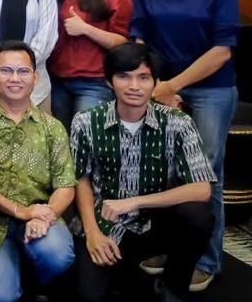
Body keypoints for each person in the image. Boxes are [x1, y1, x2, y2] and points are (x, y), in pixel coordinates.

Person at [128, 0, 238, 291]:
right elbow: (139, 35)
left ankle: (206, 260)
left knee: (204, 174)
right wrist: (151, 83)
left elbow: (222, 50)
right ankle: (175, 249)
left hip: (210, 89)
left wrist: (172, 86)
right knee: (165, 171)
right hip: (159, 87)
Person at [69, 43, 216, 302]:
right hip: (106, 223)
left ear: (155, 82)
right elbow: (80, 178)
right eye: (124, 76)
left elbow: (202, 189)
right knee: (89, 294)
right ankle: (127, 274)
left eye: (143, 77)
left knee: (197, 215)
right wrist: (92, 233)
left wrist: (135, 201)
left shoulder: (178, 122)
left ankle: (173, 290)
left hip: (155, 222)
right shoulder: (85, 121)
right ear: (109, 81)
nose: (134, 86)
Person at [0, 41, 76, 302]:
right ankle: (11, 278)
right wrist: (19, 211)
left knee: (58, 254)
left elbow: (65, 184)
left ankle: (32, 280)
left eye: (23, 71)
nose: (15, 79)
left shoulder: (52, 127)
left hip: (36, 216)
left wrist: (46, 216)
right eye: (6, 71)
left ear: (35, 78)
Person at [48, 0, 132, 129]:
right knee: (60, 140)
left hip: (94, 84)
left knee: (87, 139)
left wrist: (86, 29)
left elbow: (123, 43)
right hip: (55, 80)